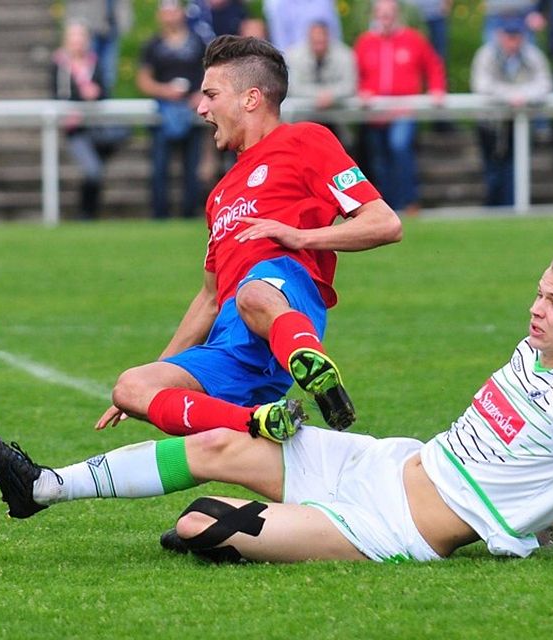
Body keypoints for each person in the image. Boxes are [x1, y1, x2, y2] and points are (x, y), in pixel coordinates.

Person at [0, 238, 553, 574]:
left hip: (391, 527)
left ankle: (249, 526)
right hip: (386, 462)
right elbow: (519, 448)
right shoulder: (535, 351)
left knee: (201, 523)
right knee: (220, 447)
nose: (536, 309)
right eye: (539, 293)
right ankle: (44, 487)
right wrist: (536, 512)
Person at [93, 35, 402, 443]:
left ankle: (314, 367)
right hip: (230, 342)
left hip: (285, 299)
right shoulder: (220, 194)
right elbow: (209, 298)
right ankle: (260, 421)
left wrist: (301, 237)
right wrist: (157, 375)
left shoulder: (305, 140)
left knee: (253, 292)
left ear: (251, 98)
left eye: (211, 95)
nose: (201, 108)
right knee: (130, 385)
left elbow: (385, 223)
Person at [354, 0, 447, 216]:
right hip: (375, 113)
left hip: (404, 109)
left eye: (389, 14)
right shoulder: (365, 42)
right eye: (381, 14)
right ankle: (387, 205)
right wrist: (360, 92)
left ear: (397, 15)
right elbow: (355, 73)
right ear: (375, 16)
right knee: (380, 158)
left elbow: (433, 65)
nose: (385, 18)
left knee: (399, 146)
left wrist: (436, 89)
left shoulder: (413, 39)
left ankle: (408, 200)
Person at [470, 15, 553, 206]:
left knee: (515, 168)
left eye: (516, 36)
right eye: (509, 36)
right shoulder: (486, 55)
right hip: (491, 124)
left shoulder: (532, 55)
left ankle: (512, 207)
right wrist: (510, 95)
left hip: (519, 122)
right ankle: (493, 208)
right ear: (500, 36)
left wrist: (524, 96)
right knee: (493, 171)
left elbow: (545, 83)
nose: (513, 41)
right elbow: (481, 84)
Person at [137, 0, 208, 220]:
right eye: (166, 12)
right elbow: (143, 80)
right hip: (163, 113)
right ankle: (160, 213)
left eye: (174, 11)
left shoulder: (198, 43)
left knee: (192, 167)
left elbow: (210, 73)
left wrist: (202, 94)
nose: (170, 17)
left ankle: (189, 212)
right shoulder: (152, 45)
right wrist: (165, 91)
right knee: (160, 166)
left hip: (192, 111)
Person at [52, 21, 126, 220]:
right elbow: (58, 95)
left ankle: (89, 213)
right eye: (73, 37)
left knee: (97, 169)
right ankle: (86, 213)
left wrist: (96, 93)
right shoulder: (59, 64)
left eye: (80, 37)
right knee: (93, 171)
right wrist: (81, 95)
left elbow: (104, 91)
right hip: (76, 128)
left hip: (96, 126)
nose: (77, 42)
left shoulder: (94, 62)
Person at [285, 21, 358, 146]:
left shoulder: (345, 55)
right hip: (302, 117)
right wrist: (320, 96)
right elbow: (293, 86)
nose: (319, 45)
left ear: (328, 38)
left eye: (321, 41)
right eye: (315, 41)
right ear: (308, 38)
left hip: (337, 119)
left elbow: (350, 85)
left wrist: (331, 96)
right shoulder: (293, 56)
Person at [65, 0, 134, 93]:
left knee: (108, 74)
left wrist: (124, 22)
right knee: (86, 71)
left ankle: (104, 96)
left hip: (111, 29)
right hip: (90, 26)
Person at [263, 0, 342, 54]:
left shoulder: (325, 2)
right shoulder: (276, 4)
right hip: (291, 58)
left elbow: (334, 34)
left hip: (324, 55)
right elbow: (280, 42)